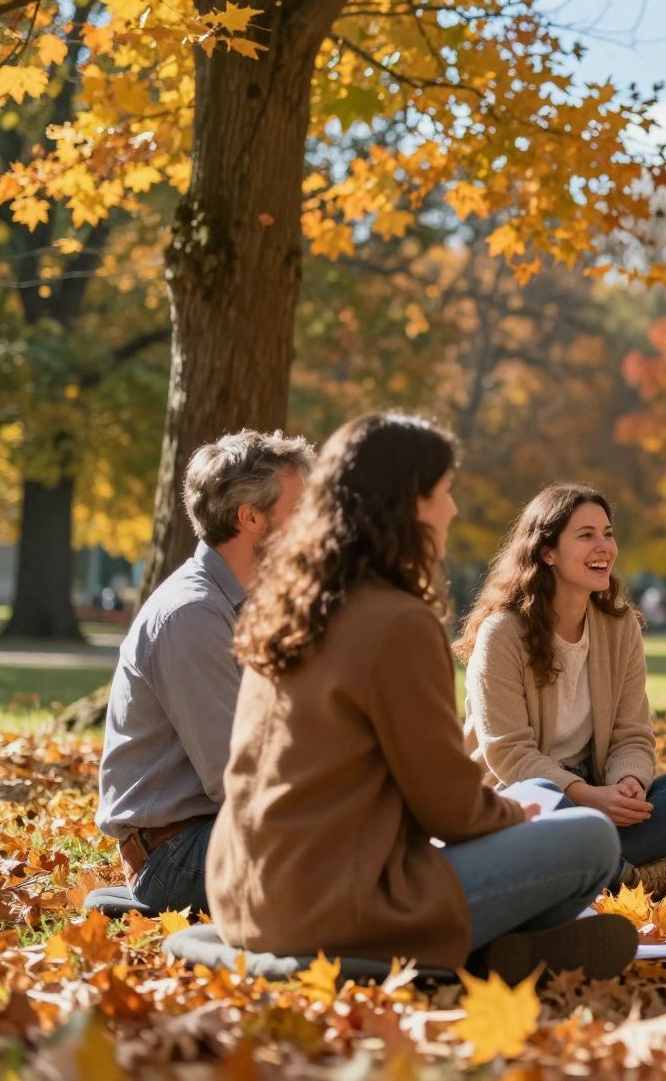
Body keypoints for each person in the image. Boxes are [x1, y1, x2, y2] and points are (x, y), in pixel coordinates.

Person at [210, 413, 633, 982]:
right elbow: (450, 808)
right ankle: (479, 952)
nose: (453, 509)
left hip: (243, 891)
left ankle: (503, 951)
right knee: (591, 839)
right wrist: (519, 814)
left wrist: (523, 804)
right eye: (443, 492)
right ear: (409, 505)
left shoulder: (291, 605)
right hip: (332, 906)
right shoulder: (397, 622)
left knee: (539, 792)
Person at [459, 483, 666, 897]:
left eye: (607, 533)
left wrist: (628, 785)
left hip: (598, 798)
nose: (604, 546)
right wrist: (586, 797)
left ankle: (585, 866)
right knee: (546, 796)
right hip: (522, 802)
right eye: (586, 535)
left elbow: (632, 735)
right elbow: (508, 754)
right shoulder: (502, 634)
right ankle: (631, 878)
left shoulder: (620, 630)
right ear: (547, 552)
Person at [96, 429, 314, 915]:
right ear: (251, 517)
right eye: (303, 510)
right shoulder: (191, 615)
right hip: (178, 855)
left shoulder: (253, 607)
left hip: (226, 829)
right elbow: (241, 776)